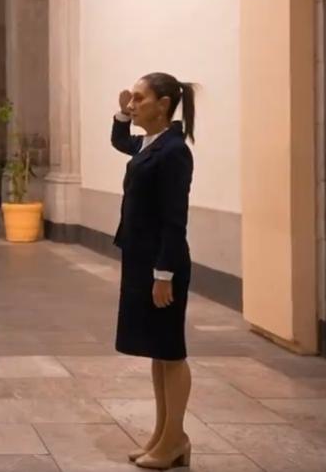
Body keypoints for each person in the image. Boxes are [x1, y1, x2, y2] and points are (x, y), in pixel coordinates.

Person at [111, 72, 197, 470]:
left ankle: (175, 438)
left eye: (140, 99)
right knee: (156, 352)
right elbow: (119, 141)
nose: (133, 104)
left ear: (163, 105)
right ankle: (163, 434)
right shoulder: (150, 144)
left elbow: (174, 220)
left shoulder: (175, 151)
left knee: (171, 351)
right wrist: (120, 110)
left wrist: (164, 275)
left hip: (162, 263)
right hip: (141, 258)